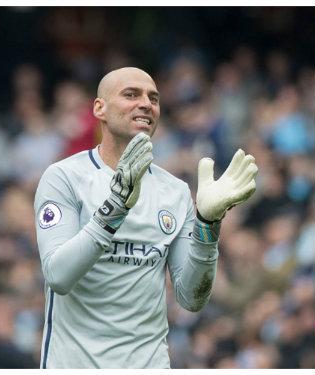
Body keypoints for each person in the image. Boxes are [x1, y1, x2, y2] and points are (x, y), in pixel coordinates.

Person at [34, 67, 258, 368]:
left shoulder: (175, 191)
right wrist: (115, 208)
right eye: (131, 94)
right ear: (99, 108)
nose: (146, 103)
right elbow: (58, 276)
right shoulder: (64, 177)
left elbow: (192, 298)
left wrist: (208, 224)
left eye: (153, 98)